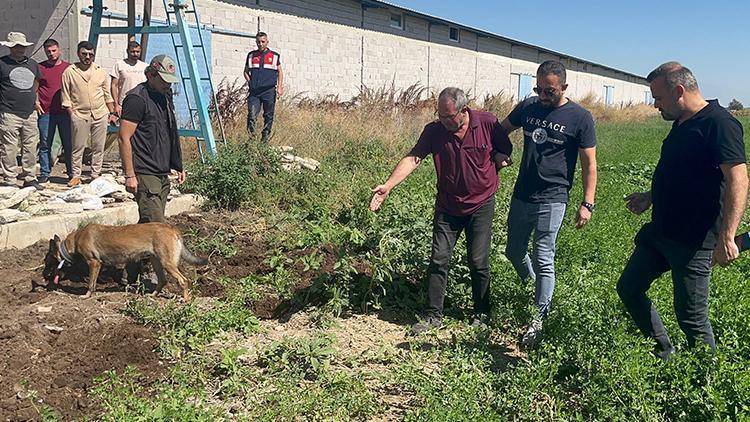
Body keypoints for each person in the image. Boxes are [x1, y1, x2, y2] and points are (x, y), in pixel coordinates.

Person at [617, 62, 747, 361]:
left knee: (691, 318)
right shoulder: (682, 122)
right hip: (661, 231)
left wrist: (727, 236)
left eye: (658, 98)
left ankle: (704, 387)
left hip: (693, 240)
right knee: (629, 288)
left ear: (679, 91)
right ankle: (664, 352)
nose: (655, 105)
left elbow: (738, 179)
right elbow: (684, 172)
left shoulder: (720, 124)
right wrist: (650, 196)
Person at [370, 87, 512, 334]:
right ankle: (433, 315)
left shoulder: (487, 122)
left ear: (464, 110)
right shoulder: (434, 131)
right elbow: (414, 158)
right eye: (440, 115)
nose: (444, 121)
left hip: (481, 204)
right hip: (448, 206)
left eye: (449, 116)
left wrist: (501, 156)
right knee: (438, 259)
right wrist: (389, 185)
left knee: (478, 261)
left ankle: (482, 313)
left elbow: (505, 148)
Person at [499, 60, 598, 347]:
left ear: (564, 87)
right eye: (539, 89)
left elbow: (589, 164)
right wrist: (499, 153)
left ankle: (537, 319)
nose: (543, 95)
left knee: (544, 257)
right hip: (522, 194)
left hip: (553, 198)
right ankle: (533, 288)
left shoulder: (580, 117)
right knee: (514, 251)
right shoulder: (528, 107)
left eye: (549, 91)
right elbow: (500, 131)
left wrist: (587, 203)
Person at [118, 54, 184, 224]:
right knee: (157, 230)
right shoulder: (136, 99)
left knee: (149, 230)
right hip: (145, 172)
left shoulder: (165, 95)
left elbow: (169, 131)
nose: (167, 85)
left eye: (170, 81)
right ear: (150, 75)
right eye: (163, 80)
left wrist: (177, 164)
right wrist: (130, 175)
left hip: (162, 172)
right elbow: (124, 138)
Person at [61, 41, 117, 187]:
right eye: (84, 54)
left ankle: (95, 174)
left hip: (100, 113)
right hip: (80, 114)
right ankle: (76, 175)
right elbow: (66, 96)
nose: (87, 57)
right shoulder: (70, 71)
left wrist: (111, 113)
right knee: (78, 147)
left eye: (90, 54)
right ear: (78, 53)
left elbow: (107, 94)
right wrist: (71, 114)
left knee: (98, 146)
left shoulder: (100, 71)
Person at [0, 32, 43, 190]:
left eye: (22, 46)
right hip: (9, 112)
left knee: (31, 146)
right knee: (9, 148)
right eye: (17, 46)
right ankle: (10, 179)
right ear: (10, 47)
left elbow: (36, 82)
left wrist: (35, 100)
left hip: (30, 112)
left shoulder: (32, 64)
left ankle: (30, 177)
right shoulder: (2, 63)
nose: (20, 49)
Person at [36, 38, 72, 182]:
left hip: (65, 112)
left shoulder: (68, 68)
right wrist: (36, 101)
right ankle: (45, 173)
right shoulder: (40, 68)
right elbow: (35, 86)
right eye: (48, 51)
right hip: (45, 112)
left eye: (53, 50)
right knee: (45, 143)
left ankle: (72, 173)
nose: (51, 54)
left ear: (59, 50)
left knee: (68, 143)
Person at [243, 31, 283, 142]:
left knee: (268, 116)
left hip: (269, 91)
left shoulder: (274, 56)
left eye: (262, 42)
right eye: (258, 42)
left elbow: (280, 71)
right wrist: (250, 82)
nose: (260, 44)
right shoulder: (251, 55)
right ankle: (251, 140)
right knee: (252, 115)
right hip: (254, 93)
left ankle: (264, 140)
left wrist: (279, 87)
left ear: (267, 42)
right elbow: (245, 72)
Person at [110, 40, 147, 116]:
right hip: (124, 104)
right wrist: (116, 105)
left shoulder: (145, 67)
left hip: (142, 104)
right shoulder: (119, 65)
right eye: (133, 52)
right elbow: (114, 86)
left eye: (137, 52)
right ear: (127, 51)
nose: (135, 54)